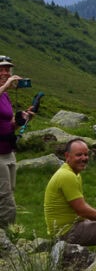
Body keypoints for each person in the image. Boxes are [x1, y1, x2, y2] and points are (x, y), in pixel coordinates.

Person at [0, 55, 36, 226]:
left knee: (9, 191)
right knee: (5, 199)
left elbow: (7, 124)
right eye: (2, 69)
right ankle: (6, 238)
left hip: (8, 151)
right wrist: (6, 85)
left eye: (8, 69)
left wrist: (21, 120)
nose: (6, 72)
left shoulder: (5, 96)